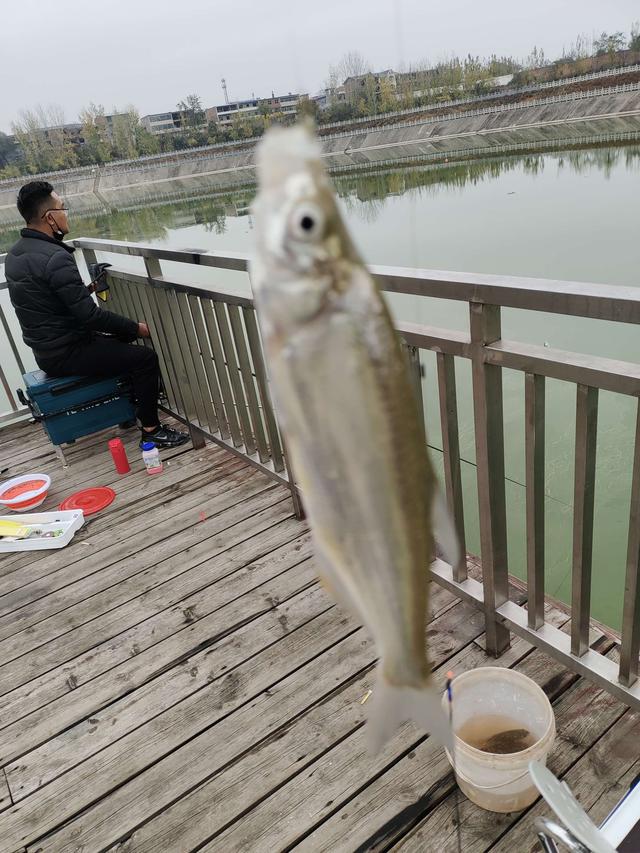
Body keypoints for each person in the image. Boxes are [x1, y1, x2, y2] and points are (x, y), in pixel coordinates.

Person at [5, 181, 188, 448]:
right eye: (62, 207)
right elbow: (90, 316)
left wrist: (87, 289)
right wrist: (136, 328)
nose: (65, 213)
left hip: (46, 351)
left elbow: (50, 301)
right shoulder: (55, 257)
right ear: (50, 217)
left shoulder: (16, 254)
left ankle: (127, 415)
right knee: (144, 358)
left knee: (119, 347)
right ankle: (151, 429)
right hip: (67, 351)